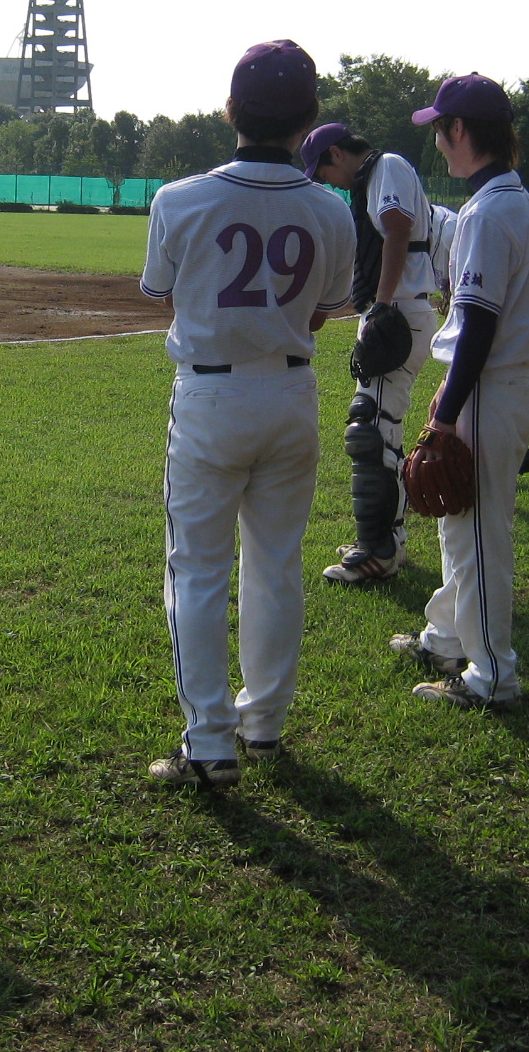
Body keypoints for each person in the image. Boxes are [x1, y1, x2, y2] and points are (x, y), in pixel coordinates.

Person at [139, 41, 355, 789]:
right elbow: (325, 312)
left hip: (210, 394)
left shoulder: (179, 197)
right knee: (275, 562)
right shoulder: (331, 207)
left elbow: (164, 293)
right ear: (308, 118)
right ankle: (263, 720)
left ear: (232, 110)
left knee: (197, 570)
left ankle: (210, 742)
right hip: (291, 393)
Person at [388, 74, 529, 708]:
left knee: (478, 535)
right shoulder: (508, 198)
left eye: (440, 130)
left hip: (487, 386)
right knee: (463, 526)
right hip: (495, 384)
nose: (438, 143)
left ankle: (492, 675)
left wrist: (444, 416)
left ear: (461, 131)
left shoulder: (489, 209)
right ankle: (448, 635)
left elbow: (477, 321)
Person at [298, 121, 439, 583]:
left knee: (372, 433)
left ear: (337, 154)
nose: (327, 183)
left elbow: (397, 230)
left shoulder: (386, 166)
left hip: (398, 311)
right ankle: (386, 539)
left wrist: (380, 305)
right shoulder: (374, 177)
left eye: (323, 171)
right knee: (381, 431)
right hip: (395, 308)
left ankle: (379, 552)